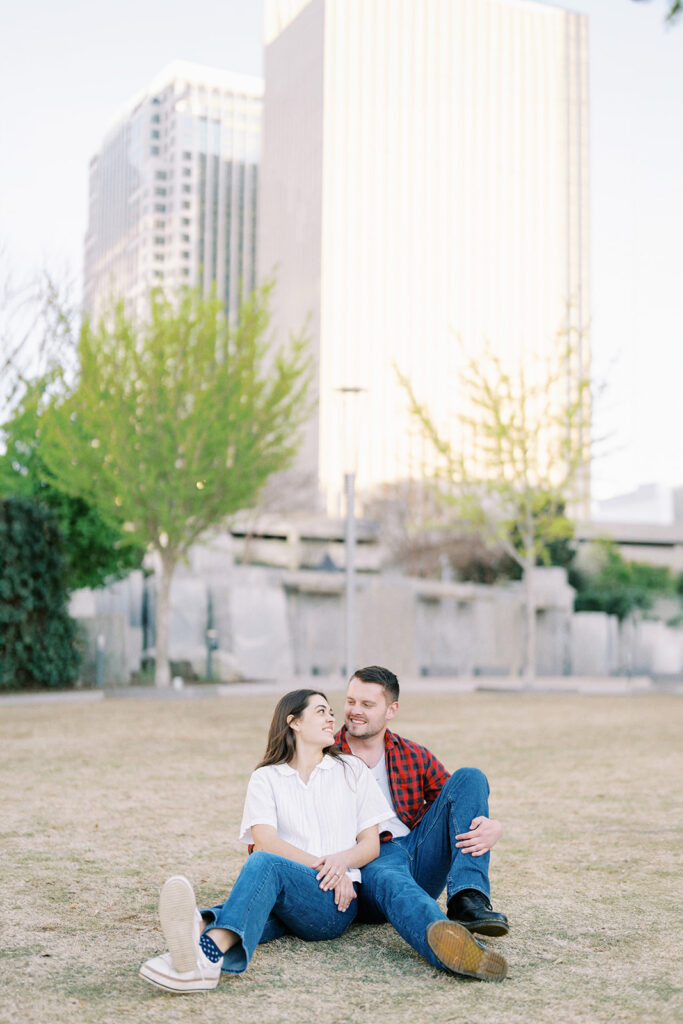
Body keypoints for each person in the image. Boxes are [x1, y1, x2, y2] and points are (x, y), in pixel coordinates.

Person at [139, 688, 392, 993]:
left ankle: (205, 941)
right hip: (292, 895)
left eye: (331, 713)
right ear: (294, 722)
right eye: (320, 711)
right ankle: (195, 944)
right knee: (260, 894)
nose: (332, 718)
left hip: (332, 905)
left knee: (264, 865)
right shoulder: (266, 778)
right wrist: (328, 866)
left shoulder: (351, 770)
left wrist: (339, 864)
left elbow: (370, 844)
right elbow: (266, 841)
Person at [336, 665, 509, 983]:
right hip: (371, 857)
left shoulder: (410, 754)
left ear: (391, 710)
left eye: (367, 705)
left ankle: (467, 898)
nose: (354, 712)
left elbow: (457, 801)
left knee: (470, 777)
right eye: (350, 701)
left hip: (418, 850)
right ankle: (458, 948)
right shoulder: (326, 755)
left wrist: (494, 826)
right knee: (392, 879)